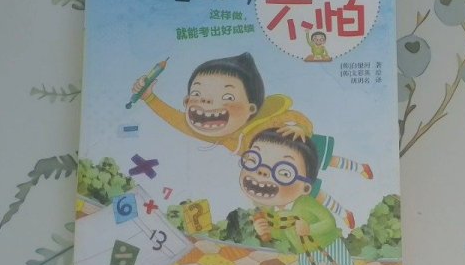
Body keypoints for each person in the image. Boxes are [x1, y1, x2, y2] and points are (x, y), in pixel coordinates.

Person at [132, 52, 371, 228]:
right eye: (197, 93)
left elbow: (295, 116)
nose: (206, 102)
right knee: (311, 191)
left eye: (226, 96)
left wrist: (301, 128)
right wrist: (150, 98)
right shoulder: (219, 135)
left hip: (295, 143)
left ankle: (359, 168)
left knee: (330, 160)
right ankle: (344, 213)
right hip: (275, 169)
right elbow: (177, 120)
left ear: (251, 108)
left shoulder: (265, 121)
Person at [241, 129, 374, 265]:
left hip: (329, 244)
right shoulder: (272, 211)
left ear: (306, 187)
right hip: (304, 251)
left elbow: (329, 222)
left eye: (284, 173)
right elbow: (281, 233)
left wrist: (310, 229)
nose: (263, 174)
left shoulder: (307, 203)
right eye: (253, 161)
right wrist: (266, 231)